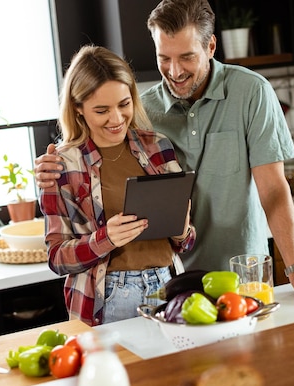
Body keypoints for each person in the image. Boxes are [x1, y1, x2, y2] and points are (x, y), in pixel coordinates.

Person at [35, 0, 294, 283]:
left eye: (187, 57)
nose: (175, 71)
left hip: (241, 272)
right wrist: (51, 164)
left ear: (211, 47)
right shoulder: (141, 111)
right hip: (172, 280)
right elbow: (90, 137)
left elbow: (274, 190)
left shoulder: (251, 92)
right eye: (164, 58)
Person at [40, 45, 196, 326]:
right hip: (110, 296)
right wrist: (105, 239)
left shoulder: (157, 146)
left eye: (124, 104)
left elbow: (185, 241)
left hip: (167, 285)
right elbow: (57, 258)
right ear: (78, 109)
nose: (117, 119)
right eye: (101, 110)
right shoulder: (61, 165)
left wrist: (183, 230)